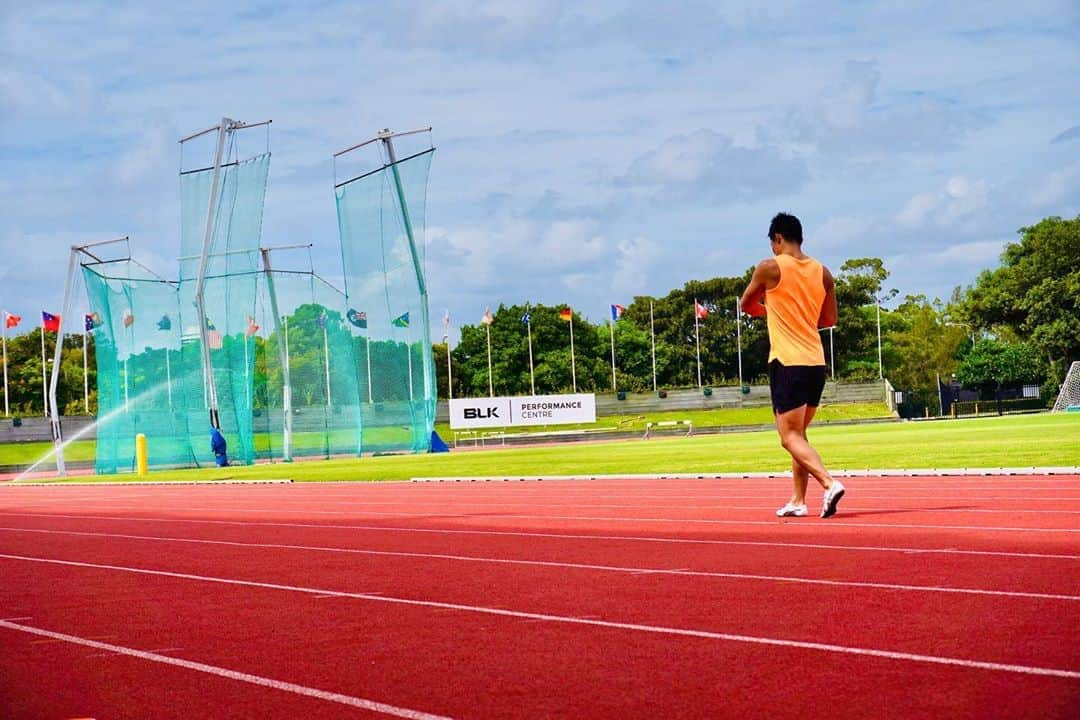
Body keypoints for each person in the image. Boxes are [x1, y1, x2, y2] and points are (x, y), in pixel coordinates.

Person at [740, 212, 845, 518]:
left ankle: (829, 483)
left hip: (787, 361)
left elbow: (746, 305)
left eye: (773, 243)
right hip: (815, 362)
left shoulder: (769, 267)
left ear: (778, 239)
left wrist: (769, 311)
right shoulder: (823, 272)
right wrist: (800, 315)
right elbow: (829, 320)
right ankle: (798, 500)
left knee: (788, 437)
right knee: (800, 434)